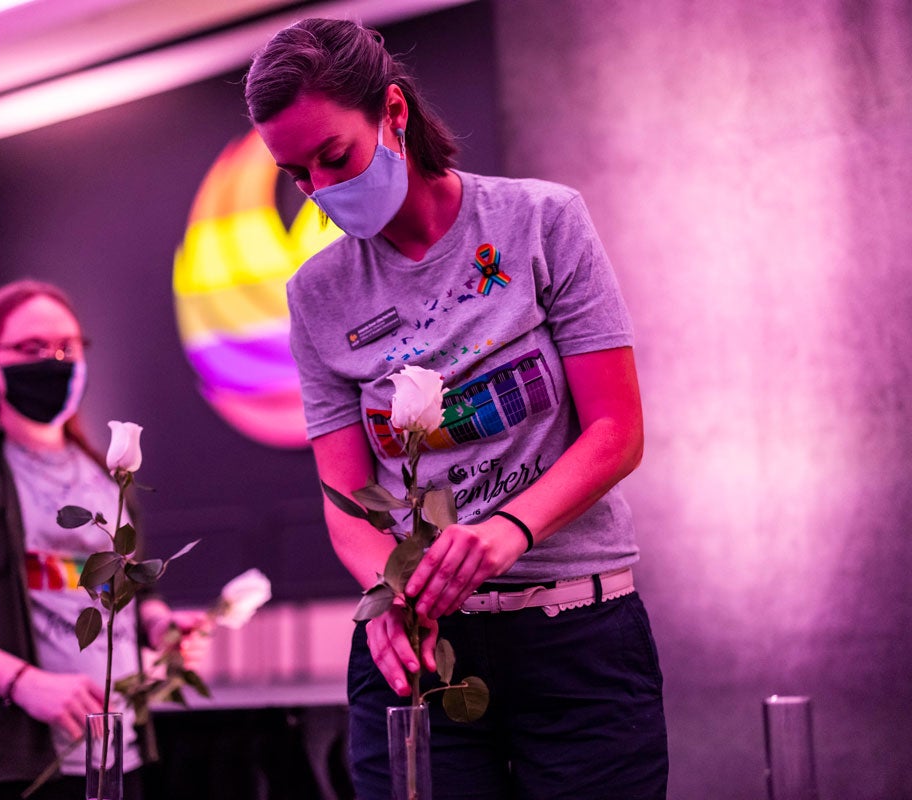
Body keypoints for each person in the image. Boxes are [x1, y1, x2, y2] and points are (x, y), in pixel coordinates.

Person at [245, 18, 668, 800]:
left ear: (394, 113)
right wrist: (391, 595)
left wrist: (507, 532)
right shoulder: (316, 296)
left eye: (334, 157)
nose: (319, 190)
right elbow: (346, 505)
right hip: (421, 653)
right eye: (296, 173)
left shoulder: (542, 222)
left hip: (578, 641)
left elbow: (617, 431)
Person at [0, 280, 207, 800]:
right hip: (4, 765)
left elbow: (129, 591)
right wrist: (24, 684)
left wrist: (160, 625)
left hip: (115, 755)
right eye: (31, 348)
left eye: (67, 347)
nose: (53, 361)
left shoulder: (109, 476)